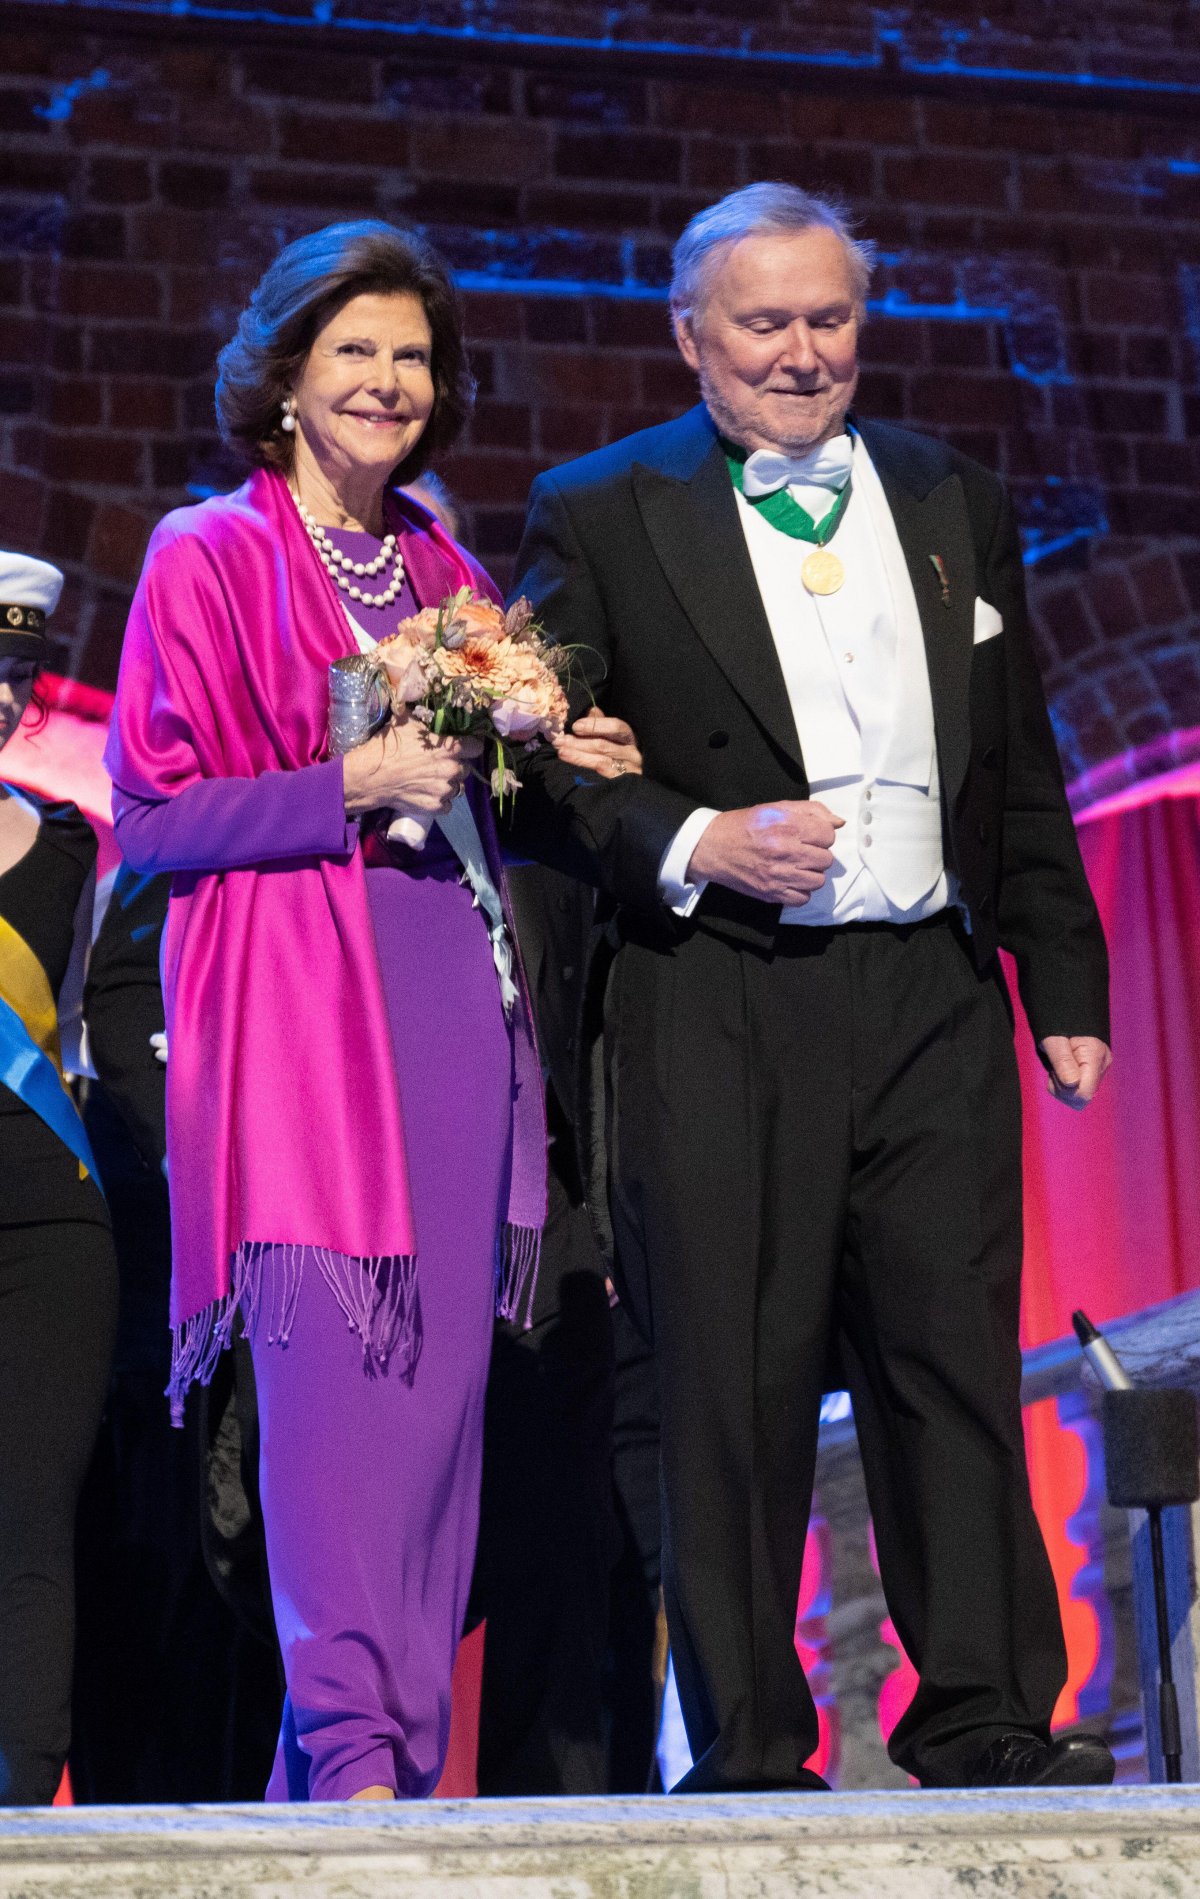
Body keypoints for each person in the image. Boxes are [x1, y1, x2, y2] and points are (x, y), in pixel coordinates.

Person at [508, 182, 1115, 1792]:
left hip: (927, 989)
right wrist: (697, 834)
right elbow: (537, 772)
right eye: (764, 321)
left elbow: (1020, 762)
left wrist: (1062, 968)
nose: (800, 351)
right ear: (691, 336)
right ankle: (755, 1745)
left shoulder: (946, 491)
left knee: (951, 1362)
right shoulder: (601, 505)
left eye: (829, 317)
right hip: (719, 990)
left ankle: (987, 1716)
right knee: (733, 1373)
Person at [105, 219, 641, 1805]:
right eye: (355, 353)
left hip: (451, 1010)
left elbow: (486, 787)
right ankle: (352, 1762)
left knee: (435, 1439)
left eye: (412, 358)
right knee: (341, 1409)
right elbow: (153, 813)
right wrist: (349, 781)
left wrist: (559, 753)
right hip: (298, 1022)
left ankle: (368, 1786)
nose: (389, 383)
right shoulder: (208, 551)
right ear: (282, 379)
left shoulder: (444, 565)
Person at [0, 552, 118, 1805]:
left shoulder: (76, 843)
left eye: (15, 667)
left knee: (30, 1524)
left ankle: (22, 1807)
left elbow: (76, 1033)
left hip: (45, 1217)